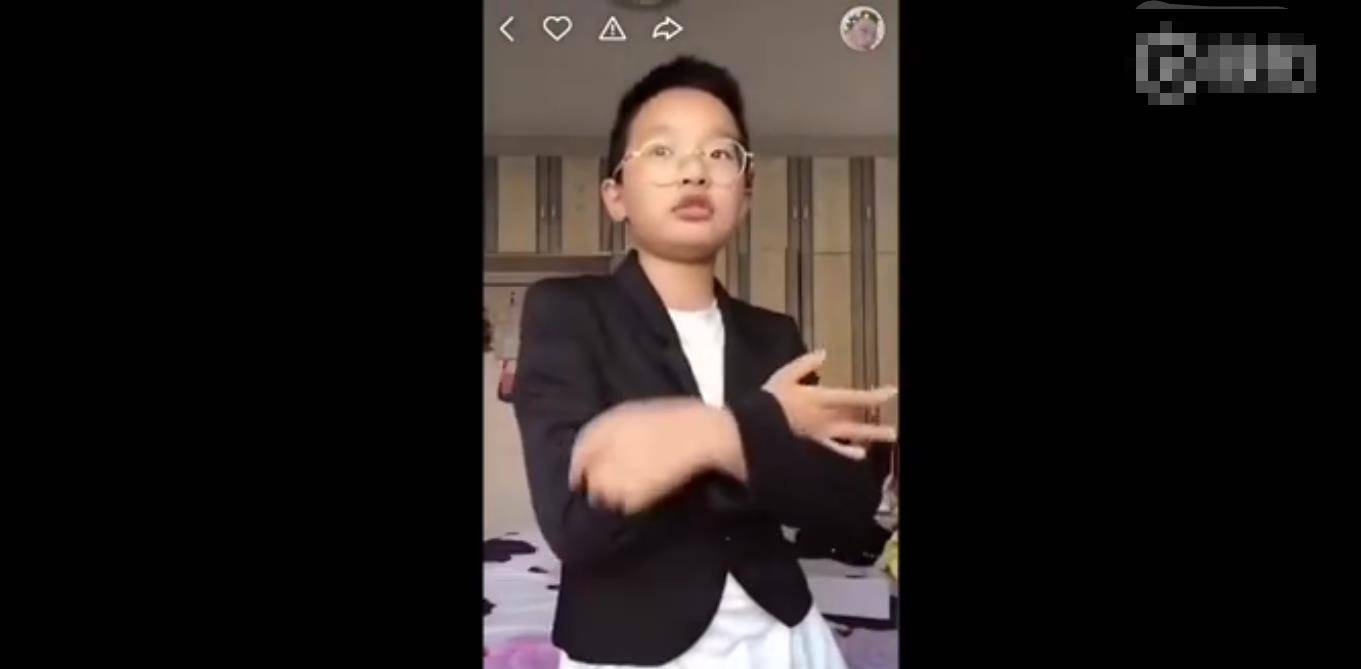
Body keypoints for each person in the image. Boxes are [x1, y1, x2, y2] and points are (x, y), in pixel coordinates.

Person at [512, 56, 897, 668]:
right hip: (631, 647)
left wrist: (693, 442)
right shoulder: (566, 310)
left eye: (720, 154)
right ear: (615, 195)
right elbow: (574, 525)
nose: (694, 170)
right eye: (662, 151)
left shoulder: (773, 335)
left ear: (744, 196)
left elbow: (841, 507)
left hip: (785, 636)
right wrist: (761, 433)